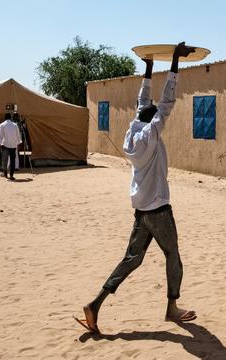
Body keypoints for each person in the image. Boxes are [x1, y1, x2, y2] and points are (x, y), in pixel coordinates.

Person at [75, 42, 196, 334]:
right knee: (173, 255)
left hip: (141, 209)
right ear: (152, 120)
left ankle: (95, 304)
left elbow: (144, 103)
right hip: (158, 208)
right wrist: (176, 61)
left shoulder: (133, 131)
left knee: (132, 259)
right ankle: (171, 308)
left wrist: (149, 66)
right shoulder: (153, 133)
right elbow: (166, 102)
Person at [0, 112, 22, 180]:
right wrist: (19, 142)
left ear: (4, 118)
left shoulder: (2, 125)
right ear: (10, 117)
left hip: (5, 145)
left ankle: (5, 173)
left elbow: (0, 135)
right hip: (13, 145)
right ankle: (11, 175)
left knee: (5, 160)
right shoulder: (15, 125)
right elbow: (18, 135)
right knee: (12, 161)